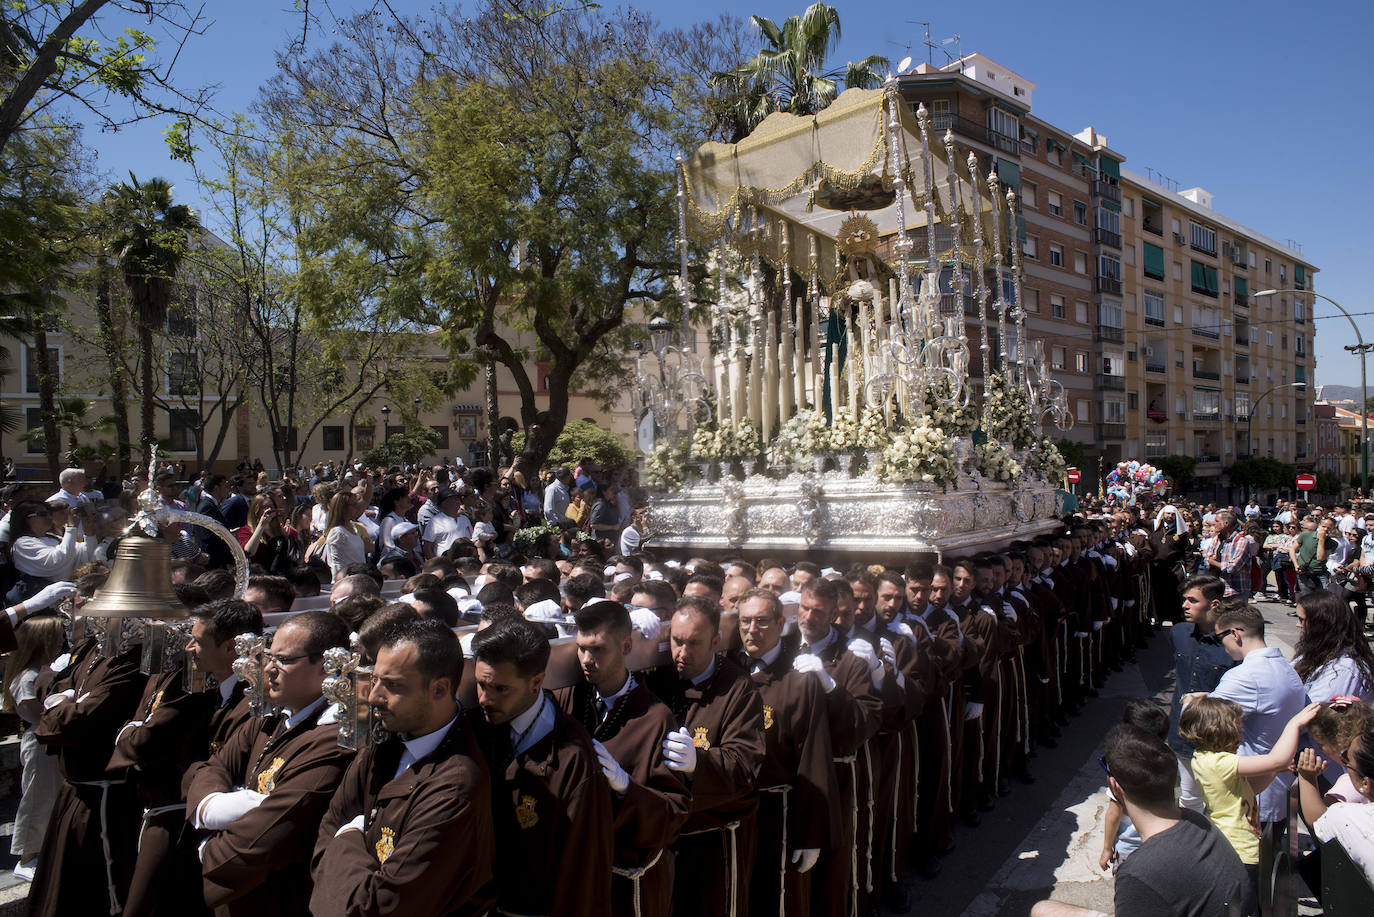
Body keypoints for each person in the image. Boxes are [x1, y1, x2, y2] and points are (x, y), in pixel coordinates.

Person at [311, 619, 496, 915]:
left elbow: (384, 905)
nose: (374, 697)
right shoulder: (385, 740)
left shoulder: (457, 787)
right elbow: (328, 828)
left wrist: (346, 838)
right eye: (375, 680)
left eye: (393, 685)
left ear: (439, 689)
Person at [184, 611, 355, 917]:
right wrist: (210, 807)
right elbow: (210, 769)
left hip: (278, 897)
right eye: (269, 657)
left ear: (328, 667)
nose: (269, 669)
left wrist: (208, 847)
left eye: (284, 660)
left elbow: (272, 833)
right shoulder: (269, 718)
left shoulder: (335, 740)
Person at [117, 598, 265, 917]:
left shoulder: (251, 704)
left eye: (197, 641)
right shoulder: (209, 693)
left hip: (211, 838)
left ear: (230, 648)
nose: (188, 649)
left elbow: (218, 771)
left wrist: (195, 773)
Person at [466, 617, 613, 917]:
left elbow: (582, 874)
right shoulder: (477, 727)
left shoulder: (573, 760)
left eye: (500, 689)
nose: (484, 699)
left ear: (536, 682)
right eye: (480, 685)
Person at [1031, 724, 1255, 917]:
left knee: (1041, 910)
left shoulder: (1141, 872)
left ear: (1115, 787)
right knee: (1043, 910)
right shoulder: (1199, 824)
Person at [555, 599, 690, 917]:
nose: (586, 660)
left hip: (631, 884)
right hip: (580, 878)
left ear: (626, 645)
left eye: (598, 649)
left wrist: (626, 788)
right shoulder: (569, 701)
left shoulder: (655, 717)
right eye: (581, 648)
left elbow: (674, 812)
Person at [646, 595, 765, 917]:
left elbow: (746, 763)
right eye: (676, 641)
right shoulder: (657, 676)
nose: (682, 653)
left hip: (713, 840)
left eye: (694, 644)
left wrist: (700, 763)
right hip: (664, 835)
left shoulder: (738, 689)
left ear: (715, 642)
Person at [736, 588, 837, 917]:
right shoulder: (728, 671)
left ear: (781, 623)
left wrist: (811, 834)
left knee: (775, 899)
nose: (753, 629)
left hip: (776, 812)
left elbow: (814, 758)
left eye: (762, 622)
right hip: (734, 810)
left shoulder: (799, 679)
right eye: (745, 621)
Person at [1178, 697, 1322, 885]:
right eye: (1238, 732)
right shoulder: (1219, 763)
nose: (1242, 737)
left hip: (1235, 848)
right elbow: (1277, 759)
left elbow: (1251, 789)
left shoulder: (1206, 759)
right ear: (1221, 732)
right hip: (1238, 849)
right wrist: (1293, 725)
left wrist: (1274, 771)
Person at [1205, 603, 1308, 826]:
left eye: (1218, 637)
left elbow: (1202, 722)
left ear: (1234, 634)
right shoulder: (1286, 668)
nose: (1220, 645)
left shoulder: (1244, 676)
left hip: (1249, 796)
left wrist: (1191, 702)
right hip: (1276, 790)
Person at [3, 615, 66, 881]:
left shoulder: (44, 670)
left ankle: (43, 851)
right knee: (36, 798)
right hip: (40, 743)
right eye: (57, 636)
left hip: (51, 742)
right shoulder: (27, 676)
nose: (62, 640)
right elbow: (34, 713)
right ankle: (26, 857)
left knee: (51, 798)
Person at [1167, 576, 1235, 756]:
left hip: (1214, 737)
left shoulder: (1231, 644)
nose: (1185, 605)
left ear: (1214, 604)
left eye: (1193, 600)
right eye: (1184, 600)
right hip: (1180, 731)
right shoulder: (1179, 633)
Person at [7, 500, 95, 600]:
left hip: (66, 598)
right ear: (26, 519)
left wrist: (89, 533)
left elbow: (84, 555)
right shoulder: (22, 544)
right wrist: (71, 527)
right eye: (43, 514)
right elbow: (55, 562)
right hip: (43, 606)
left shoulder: (53, 538)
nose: (49, 517)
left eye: (49, 513)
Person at [321, 490, 368, 580]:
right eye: (353, 505)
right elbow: (336, 564)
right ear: (343, 508)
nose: (357, 507)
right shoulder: (337, 532)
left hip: (360, 578)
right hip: (346, 581)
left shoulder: (354, 528)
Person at [1290, 516, 1338, 594]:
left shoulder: (1333, 543)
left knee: (1321, 598)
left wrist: (1321, 540)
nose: (1325, 529)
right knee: (1306, 596)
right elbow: (1292, 549)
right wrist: (1296, 564)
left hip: (1320, 572)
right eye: (1323, 526)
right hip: (1304, 572)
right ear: (1319, 525)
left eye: (1329, 528)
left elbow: (1320, 557)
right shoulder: (1305, 536)